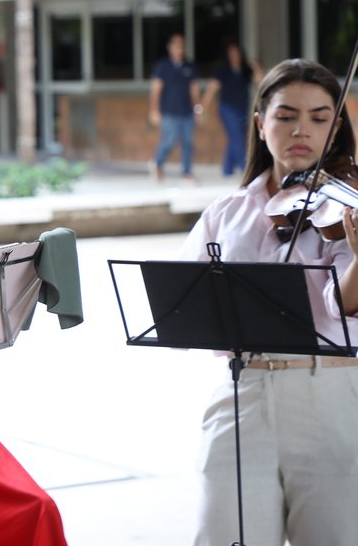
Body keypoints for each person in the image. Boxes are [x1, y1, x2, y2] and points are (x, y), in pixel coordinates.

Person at [180, 58, 358, 546]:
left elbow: (339, 309)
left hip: (331, 391)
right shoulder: (225, 213)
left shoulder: (347, 206)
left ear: (336, 126)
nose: (302, 129)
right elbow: (184, 299)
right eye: (286, 116)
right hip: (244, 391)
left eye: (320, 118)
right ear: (260, 123)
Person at [202, 41, 265, 177]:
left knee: (236, 137)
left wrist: (255, 66)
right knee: (237, 138)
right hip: (227, 109)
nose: (234, 56)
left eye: (236, 53)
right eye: (231, 54)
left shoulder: (245, 71)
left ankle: (227, 169)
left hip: (242, 108)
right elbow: (211, 90)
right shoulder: (223, 71)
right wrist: (203, 108)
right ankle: (245, 169)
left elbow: (261, 81)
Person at [149, 32, 202, 183]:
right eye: (177, 45)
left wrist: (198, 109)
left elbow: (195, 90)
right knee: (169, 140)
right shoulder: (162, 67)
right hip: (169, 112)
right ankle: (157, 164)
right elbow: (156, 90)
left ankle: (186, 172)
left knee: (187, 142)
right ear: (170, 48)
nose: (180, 48)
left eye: (182, 45)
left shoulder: (189, 66)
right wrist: (154, 111)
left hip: (187, 112)